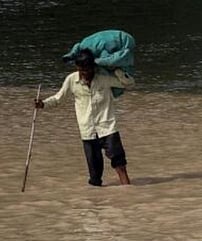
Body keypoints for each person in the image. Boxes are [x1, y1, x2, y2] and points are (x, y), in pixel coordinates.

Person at [34, 47, 134, 187]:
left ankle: (128, 193)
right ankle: (95, 203)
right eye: (82, 70)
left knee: (120, 166)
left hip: (108, 128)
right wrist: (43, 104)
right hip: (87, 132)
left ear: (94, 67)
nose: (85, 74)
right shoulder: (71, 80)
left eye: (88, 70)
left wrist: (118, 71)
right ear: (77, 68)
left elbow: (129, 84)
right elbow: (58, 98)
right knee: (95, 176)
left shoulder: (103, 79)